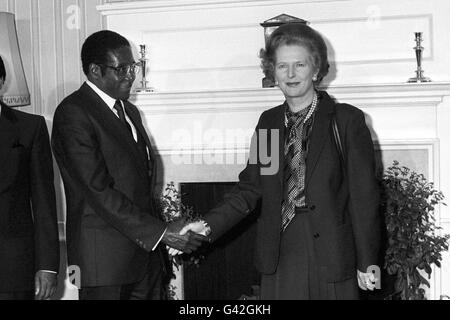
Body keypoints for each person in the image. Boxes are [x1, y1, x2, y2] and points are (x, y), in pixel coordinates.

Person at [182, 23, 381, 299]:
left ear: (316, 69)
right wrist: (206, 225)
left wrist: (367, 259)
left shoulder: (345, 120)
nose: (290, 74)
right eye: (282, 66)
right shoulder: (269, 123)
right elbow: (251, 189)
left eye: (300, 65)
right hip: (280, 251)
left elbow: (364, 197)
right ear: (272, 72)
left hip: (333, 255)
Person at [51, 30, 207, 300]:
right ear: (95, 71)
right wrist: (161, 233)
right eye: (121, 68)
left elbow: (138, 183)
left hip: (144, 261)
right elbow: (98, 191)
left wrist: (166, 230)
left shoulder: (130, 111)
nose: (131, 75)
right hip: (104, 265)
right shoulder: (72, 113)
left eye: (132, 67)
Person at [0, 55, 60, 300]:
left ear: (1, 80)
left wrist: (47, 265)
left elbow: (44, 201)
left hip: (12, 269)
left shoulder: (30, 128)